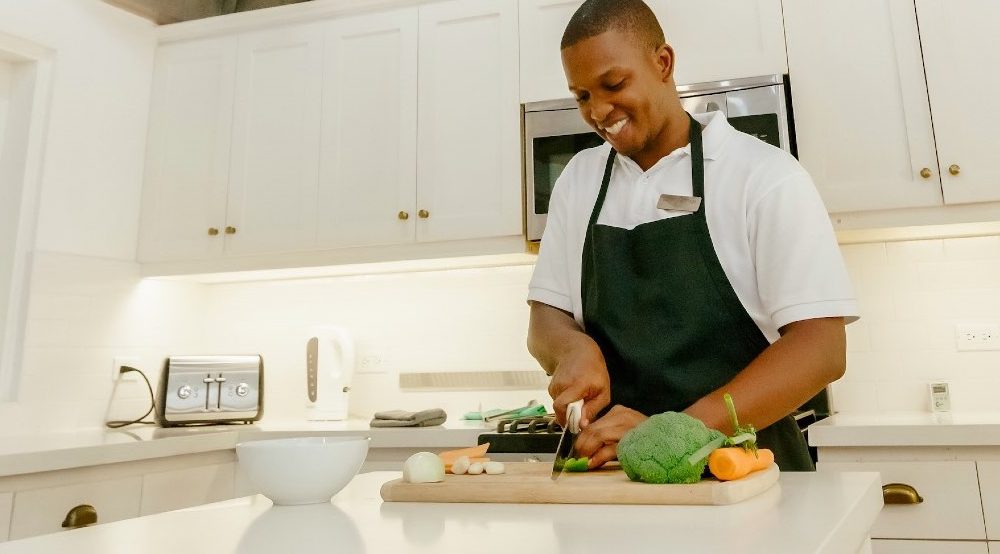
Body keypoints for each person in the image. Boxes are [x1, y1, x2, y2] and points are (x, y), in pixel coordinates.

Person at [526, 0, 858, 471]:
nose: (599, 110)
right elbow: (545, 318)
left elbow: (821, 349)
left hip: (744, 477)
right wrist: (571, 347)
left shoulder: (762, 176)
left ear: (663, 63)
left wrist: (673, 434)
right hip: (619, 478)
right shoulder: (578, 181)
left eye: (613, 84)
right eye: (581, 96)